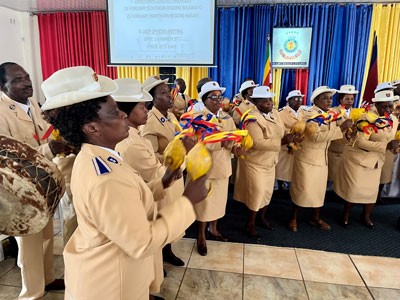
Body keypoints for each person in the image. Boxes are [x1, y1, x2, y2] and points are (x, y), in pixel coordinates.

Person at [40, 66, 208, 300]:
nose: (122, 116)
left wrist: (164, 181)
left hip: (109, 272)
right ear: (91, 128)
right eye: (113, 112)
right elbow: (142, 242)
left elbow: (127, 199)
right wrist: (188, 203)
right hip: (111, 284)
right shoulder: (104, 176)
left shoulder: (99, 156)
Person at [0, 62, 68, 299]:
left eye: (27, 76)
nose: (27, 82)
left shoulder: (33, 104)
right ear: (3, 86)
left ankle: (47, 278)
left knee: (47, 234)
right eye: (18, 79)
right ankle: (32, 293)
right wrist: (49, 148)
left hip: (42, 182)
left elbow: (44, 132)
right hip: (19, 190)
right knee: (29, 246)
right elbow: (8, 157)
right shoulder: (1, 111)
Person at [288, 86, 353, 232]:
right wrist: (341, 128)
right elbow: (316, 137)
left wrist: (347, 136)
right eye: (325, 98)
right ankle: (293, 218)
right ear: (316, 100)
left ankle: (315, 217)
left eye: (330, 98)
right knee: (302, 189)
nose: (329, 101)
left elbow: (334, 139)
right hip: (307, 158)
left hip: (323, 158)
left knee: (319, 191)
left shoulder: (331, 115)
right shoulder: (308, 114)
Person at [334, 90, 399, 229]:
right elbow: (360, 142)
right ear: (377, 105)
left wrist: (394, 146)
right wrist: (385, 146)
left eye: (390, 106)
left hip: (376, 161)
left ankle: (366, 216)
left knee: (371, 192)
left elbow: (390, 137)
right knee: (353, 190)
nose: (388, 109)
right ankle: (345, 215)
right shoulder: (366, 119)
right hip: (359, 159)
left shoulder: (393, 119)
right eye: (384, 106)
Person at [192, 81, 243, 255]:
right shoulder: (198, 117)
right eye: (213, 97)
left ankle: (213, 229)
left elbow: (234, 138)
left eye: (219, 97)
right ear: (204, 100)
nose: (217, 100)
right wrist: (223, 142)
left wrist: (236, 147)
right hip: (205, 168)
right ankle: (201, 236)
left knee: (219, 203)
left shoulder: (227, 117)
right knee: (204, 205)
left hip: (222, 167)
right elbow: (198, 141)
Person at [234, 86, 292, 240]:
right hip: (255, 162)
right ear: (255, 101)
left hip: (271, 161)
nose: (268, 102)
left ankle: (262, 217)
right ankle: (250, 224)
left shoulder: (274, 113)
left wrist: (290, 136)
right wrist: (282, 142)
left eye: (270, 99)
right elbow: (257, 142)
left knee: (267, 193)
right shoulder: (251, 118)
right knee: (257, 194)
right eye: (264, 100)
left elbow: (282, 129)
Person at [140, 75, 186, 266]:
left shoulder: (171, 116)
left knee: (173, 216)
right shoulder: (150, 122)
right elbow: (151, 156)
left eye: (169, 91)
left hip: (176, 174)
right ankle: (159, 257)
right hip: (164, 177)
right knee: (163, 218)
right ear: (152, 99)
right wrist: (174, 155)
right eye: (164, 93)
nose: (170, 96)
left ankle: (168, 250)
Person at [328, 85, 359, 183]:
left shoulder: (357, 113)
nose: (350, 101)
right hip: (336, 150)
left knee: (346, 179)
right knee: (333, 178)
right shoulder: (332, 112)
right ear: (341, 100)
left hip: (351, 152)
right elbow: (330, 131)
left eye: (352, 99)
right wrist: (343, 127)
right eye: (347, 99)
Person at [275, 90, 304, 191]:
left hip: (298, 146)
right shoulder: (281, 113)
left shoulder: (302, 112)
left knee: (293, 172)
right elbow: (279, 128)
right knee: (282, 171)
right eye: (296, 99)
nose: (299, 101)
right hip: (286, 145)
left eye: (300, 99)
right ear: (289, 100)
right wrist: (292, 133)